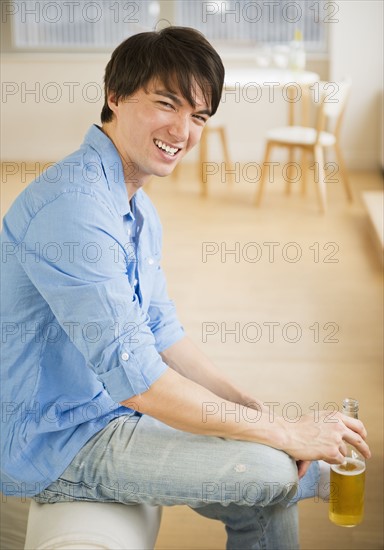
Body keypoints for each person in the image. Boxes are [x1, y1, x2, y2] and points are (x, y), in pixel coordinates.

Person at [0, 27, 370, 549]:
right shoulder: (75, 209)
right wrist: (284, 434)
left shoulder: (136, 207)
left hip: (110, 412)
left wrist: (255, 410)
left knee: (278, 463)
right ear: (114, 96)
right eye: (166, 104)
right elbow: (141, 382)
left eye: (198, 116)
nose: (182, 130)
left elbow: (161, 330)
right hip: (61, 442)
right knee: (274, 472)